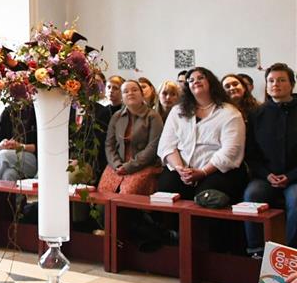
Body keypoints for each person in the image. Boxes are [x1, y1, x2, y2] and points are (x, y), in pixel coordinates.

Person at [156, 67, 246, 201]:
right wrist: (180, 169)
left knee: (207, 196)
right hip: (182, 169)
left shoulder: (230, 112)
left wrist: (203, 172)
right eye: (191, 80)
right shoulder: (177, 111)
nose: (195, 81)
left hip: (217, 170)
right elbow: (167, 145)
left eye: (200, 78)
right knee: (167, 188)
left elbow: (231, 150)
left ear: (211, 82)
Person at [243, 63, 297, 256]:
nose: (276, 84)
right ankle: (255, 250)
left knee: (296, 200)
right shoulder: (257, 114)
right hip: (266, 176)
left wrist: (290, 177)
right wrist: (267, 175)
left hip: (295, 177)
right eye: (271, 81)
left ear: (291, 84)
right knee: (251, 196)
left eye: (282, 80)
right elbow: (251, 154)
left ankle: (290, 254)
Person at [99, 79, 163, 195]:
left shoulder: (153, 117)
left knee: (127, 196)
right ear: (122, 96)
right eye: (126, 91)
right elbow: (109, 144)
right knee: (102, 196)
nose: (130, 93)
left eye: (134, 90)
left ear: (142, 94)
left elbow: (153, 147)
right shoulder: (116, 116)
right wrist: (116, 164)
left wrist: (129, 167)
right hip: (116, 165)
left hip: (143, 166)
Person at [0, 103, 37, 181]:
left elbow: (39, 146)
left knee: (4, 155)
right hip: (12, 159)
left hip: (32, 160)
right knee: (9, 175)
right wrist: (1, 145)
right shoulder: (7, 112)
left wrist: (20, 146)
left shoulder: (35, 111)